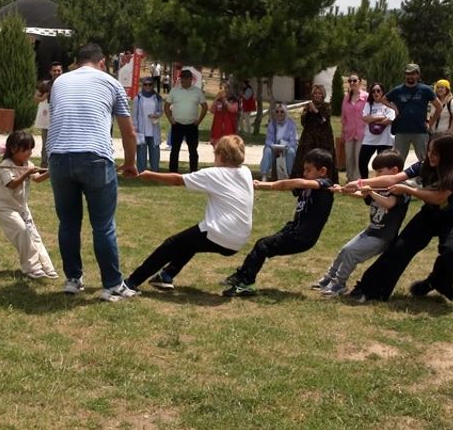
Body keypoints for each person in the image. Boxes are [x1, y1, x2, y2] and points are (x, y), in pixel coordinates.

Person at [47, 42, 139, 301]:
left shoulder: (60, 83)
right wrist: (130, 162)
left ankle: (73, 279)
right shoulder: (111, 83)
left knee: (68, 223)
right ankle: (112, 283)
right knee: (103, 225)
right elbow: (128, 131)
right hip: (95, 156)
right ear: (103, 62)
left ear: (77, 62)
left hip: (59, 156)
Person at [344, 133, 453, 303]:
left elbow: (439, 198)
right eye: (429, 151)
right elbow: (393, 178)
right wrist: (361, 183)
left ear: (448, 155)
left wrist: (408, 190)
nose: (430, 156)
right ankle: (369, 289)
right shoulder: (424, 165)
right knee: (400, 249)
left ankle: (436, 281)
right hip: (429, 216)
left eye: (436, 153)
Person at [126, 135, 253, 291]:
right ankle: (166, 276)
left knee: (170, 245)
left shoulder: (214, 174)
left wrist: (150, 175)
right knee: (190, 242)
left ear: (222, 155)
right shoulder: (246, 171)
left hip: (221, 233)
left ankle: (131, 283)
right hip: (240, 239)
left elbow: (178, 180)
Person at [221, 148, 336, 297]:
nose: (305, 174)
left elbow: (292, 184)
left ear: (322, 171)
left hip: (302, 237)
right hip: (293, 230)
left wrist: (268, 184)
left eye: (308, 170)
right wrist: (259, 184)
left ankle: (245, 283)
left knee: (262, 245)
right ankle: (242, 276)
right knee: (263, 246)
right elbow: (292, 187)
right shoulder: (307, 187)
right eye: (304, 170)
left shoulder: (326, 185)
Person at [312, 150, 409, 297]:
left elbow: (389, 203)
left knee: (351, 253)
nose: (376, 176)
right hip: (371, 231)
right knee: (344, 250)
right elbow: (363, 194)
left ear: (394, 171)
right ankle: (328, 278)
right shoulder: (379, 186)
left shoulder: (400, 188)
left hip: (383, 236)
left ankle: (339, 284)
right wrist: (343, 191)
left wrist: (371, 192)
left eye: (380, 171)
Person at [0, 130, 57, 279]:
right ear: (14, 149)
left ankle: (46, 266)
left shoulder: (28, 164)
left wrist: (53, 170)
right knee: (22, 232)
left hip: (21, 207)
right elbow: (12, 184)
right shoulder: (5, 166)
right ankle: (31, 267)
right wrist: (26, 173)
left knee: (34, 235)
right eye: (26, 149)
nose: (29, 153)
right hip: (5, 207)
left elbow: (38, 179)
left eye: (31, 149)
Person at [387, 63, 440, 163]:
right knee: (398, 160)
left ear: (418, 75)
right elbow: (384, 99)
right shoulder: (398, 90)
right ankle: (399, 179)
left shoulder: (425, 90)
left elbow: (439, 107)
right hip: (401, 130)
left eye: (413, 74)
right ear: (405, 75)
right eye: (408, 73)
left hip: (420, 130)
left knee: (425, 159)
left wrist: (431, 123)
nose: (410, 76)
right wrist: (394, 108)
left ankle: (425, 178)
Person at [166, 68, 206, 173]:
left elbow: (204, 107)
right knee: (174, 150)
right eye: (181, 79)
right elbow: (166, 106)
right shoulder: (174, 91)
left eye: (185, 79)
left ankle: (193, 172)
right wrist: (171, 120)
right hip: (177, 125)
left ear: (190, 79)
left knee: (193, 150)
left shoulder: (197, 92)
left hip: (191, 125)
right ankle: (172, 172)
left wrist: (199, 121)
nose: (183, 81)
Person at [292, 84, 334, 180]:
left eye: (319, 93)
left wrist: (315, 110)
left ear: (323, 95)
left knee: (322, 159)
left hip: (323, 139)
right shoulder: (308, 106)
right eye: (315, 93)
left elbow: (323, 120)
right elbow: (303, 122)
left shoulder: (326, 106)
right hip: (309, 138)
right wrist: (309, 112)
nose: (317, 95)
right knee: (307, 158)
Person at [359, 84, 396, 178]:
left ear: (383, 92)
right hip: (369, 140)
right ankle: (364, 182)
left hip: (385, 140)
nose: (376, 93)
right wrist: (381, 116)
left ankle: (382, 184)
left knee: (384, 165)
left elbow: (388, 121)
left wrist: (373, 119)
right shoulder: (368, 104)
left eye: (378, 91)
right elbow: (365, 118)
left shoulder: (389, 104)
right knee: (362, 162)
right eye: (373, 91)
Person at [131, 76, 164, 172]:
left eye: (150, 84)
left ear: (153, 85)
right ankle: (141, 171)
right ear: (143, 85)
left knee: (155, 152)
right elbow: (134, 114)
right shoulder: (138, 98)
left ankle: (155, 171)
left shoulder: (157, 97)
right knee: (141, 152)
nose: (148, 86)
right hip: (142, 129)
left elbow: (160, 111)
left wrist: (156, 115)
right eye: (145, 84)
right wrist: (135, 127)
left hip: (153, 128)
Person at [340, 74, 369, 181]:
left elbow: (368, 113)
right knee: (349, 157)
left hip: (362, 132)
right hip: (349, 132)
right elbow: (343, 117)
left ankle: (357, 180)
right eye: (350, 81)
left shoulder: (366, 96)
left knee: (358, 157)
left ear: (360, 82)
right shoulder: (346, 98)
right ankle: (350, 178)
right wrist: (342, 132)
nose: (352, 83)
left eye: (354, 81)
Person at [260, 103, 298, 182]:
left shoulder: (291, 124)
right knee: (267, 151)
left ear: (286, 112)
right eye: (277, 112)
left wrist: (285, 146)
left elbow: (293, 141)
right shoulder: (272, 124)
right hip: (274, 147)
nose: (279, 114)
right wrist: (272, 145)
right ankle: (264, 175)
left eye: (282, 112)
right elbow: (268, 139)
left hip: (287, 146)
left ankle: (289, 176)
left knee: (291, 152)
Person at [34, 79, 52, 164]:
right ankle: (44, 166)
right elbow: (36, 98)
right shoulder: (45, 84)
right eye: (54, 70)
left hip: (60, 116)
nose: (57, 72)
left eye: (58, 70)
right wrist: (43, 98)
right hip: (47, 117)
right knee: (46, 142)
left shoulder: (65, 81)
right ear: (51, 72)